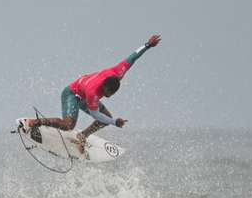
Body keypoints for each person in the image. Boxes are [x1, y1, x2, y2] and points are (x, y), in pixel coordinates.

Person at [19, 34, 161, 152]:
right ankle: (34, 122)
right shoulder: (93, 91)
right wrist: (114, 122)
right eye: (106, 93)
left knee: (106, 118)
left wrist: (147, 45)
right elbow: (95, 114)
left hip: (83, 95)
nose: (108, 96)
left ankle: (82, 137)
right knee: (69, 125)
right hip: (72, 94)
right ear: (103, 87)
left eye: (111, 94)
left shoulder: (118, 72)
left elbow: (133, 58)